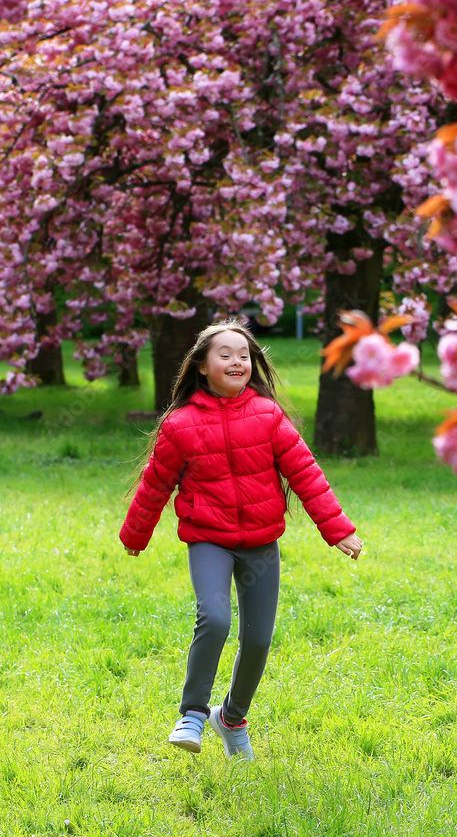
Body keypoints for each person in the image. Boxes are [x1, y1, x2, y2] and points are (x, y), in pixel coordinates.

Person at [120, 320, 363, 760]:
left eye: (244, 355)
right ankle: (192, 713)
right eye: (225, 354)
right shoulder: (181, 424)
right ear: (201, 367)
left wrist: (338, 530)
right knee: (214, 619)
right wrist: (137, 533)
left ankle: (230, 717)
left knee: (258, 640)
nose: (237, 362)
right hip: (209, 540)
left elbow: (305, 474)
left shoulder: (269, 417)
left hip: (261, 544)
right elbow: (155, 484)